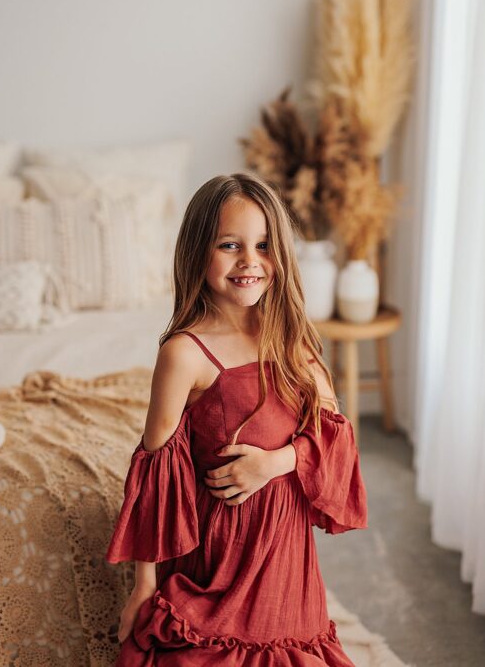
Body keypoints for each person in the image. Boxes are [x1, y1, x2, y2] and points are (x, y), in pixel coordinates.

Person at [106, 173, 367, 665]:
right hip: (219, 568)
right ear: (198, 252)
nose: (250, 261)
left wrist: (277, 462)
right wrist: (144, 585)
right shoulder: (184, 353)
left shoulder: (292, 340)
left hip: (286, 573)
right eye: (230, 245)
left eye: (264, 245)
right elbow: (158, 476)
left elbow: (335, 440)